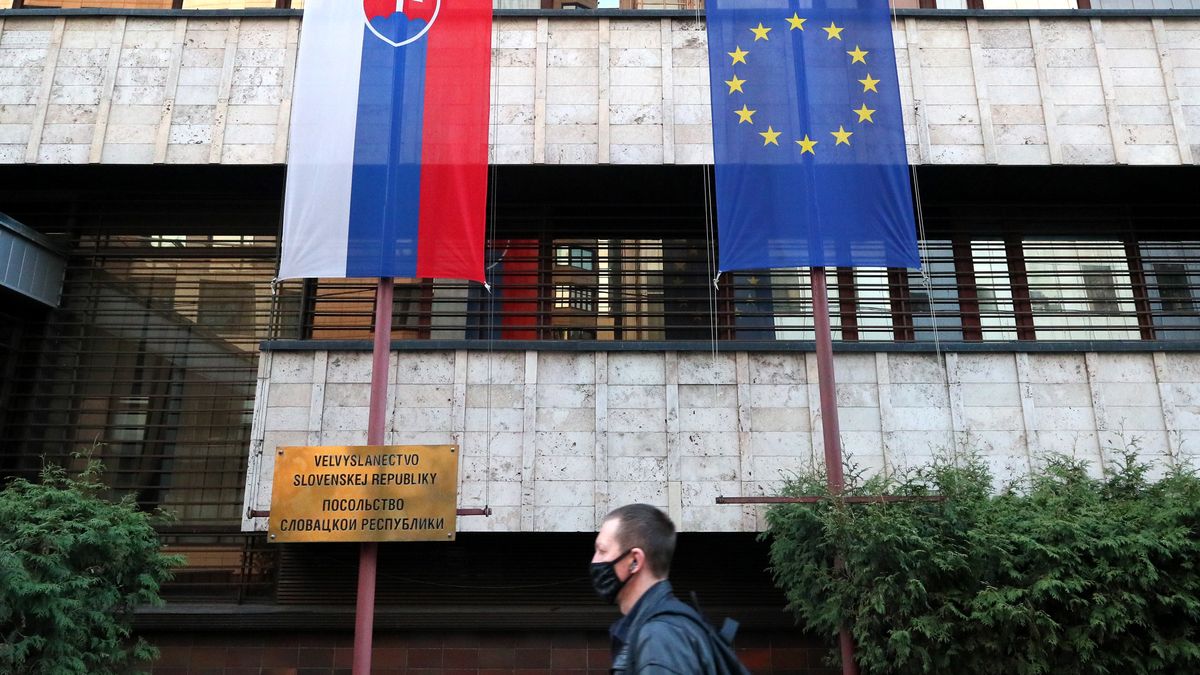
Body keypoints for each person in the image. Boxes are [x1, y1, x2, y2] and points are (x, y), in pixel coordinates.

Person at [590, 503, 747, 674]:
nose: (594, 561)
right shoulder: (665, 628)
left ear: (635, 561)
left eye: (602, 551)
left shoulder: (660, 636)